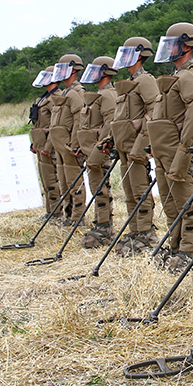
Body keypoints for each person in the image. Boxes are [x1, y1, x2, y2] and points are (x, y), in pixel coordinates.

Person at [148, 22, 193, 272]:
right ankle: (175, 247)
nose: (168, 49)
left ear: (186, 46)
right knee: (170, 204)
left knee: (187, 204)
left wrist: (186, 149)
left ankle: (189, 251)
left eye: (173, 44)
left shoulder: (190, 76)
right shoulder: (175, 77)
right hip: (164, 152)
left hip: (177, 152)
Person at [102, 37, 161, 256]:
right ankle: (135, 230)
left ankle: (146, 233)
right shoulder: (128, 83)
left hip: (136, 147)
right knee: (128, 192)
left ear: (139, 55)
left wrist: (143, 141)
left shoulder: (145, 80)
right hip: (124, 146)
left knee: (139, 191)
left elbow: (153, 111)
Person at [76, 56, 118, 248]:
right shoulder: (99, 94)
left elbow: (110, 123)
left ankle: (105, 225)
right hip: (91, 149)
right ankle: (100, 222)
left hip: (99, 151)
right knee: (96, 188)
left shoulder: (108, 95)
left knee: (101, 189)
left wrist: (102, 145)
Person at [48, 54, 87, 225]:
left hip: (70, 147)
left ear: (73, 70)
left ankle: (78, 218)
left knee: (74, 183)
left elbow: (80, 119)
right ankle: (69, 215)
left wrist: (75, 143)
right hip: (61, 147)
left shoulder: (76, 93)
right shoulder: (66, 93)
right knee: (65, 184)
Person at [29, 66, 61, 219]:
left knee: (54, 180)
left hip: (51, 146)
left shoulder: (55, 98)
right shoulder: (44, 98)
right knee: (46, 180)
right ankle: (50, 211)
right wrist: (34, 143)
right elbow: (38, 125)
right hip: (41, 145)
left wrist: (47, 146)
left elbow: (54, 125)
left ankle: (57, 212)